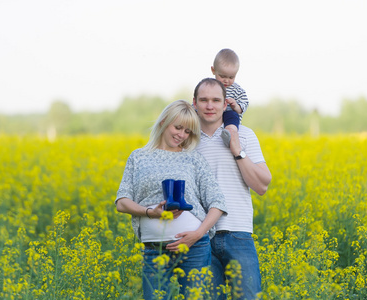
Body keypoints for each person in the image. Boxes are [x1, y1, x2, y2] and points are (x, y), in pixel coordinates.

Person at [114, 99, 227, 299]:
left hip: (194, 247)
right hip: (154, 250)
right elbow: (122, 202)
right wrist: (151, 212)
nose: (181, 135)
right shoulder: (138, 157)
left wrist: (198, 234)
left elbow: (217, 203)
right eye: (178, 127)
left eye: (187, 131)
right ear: (164, 121)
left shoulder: (193, 158)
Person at [193, 78, 272, 300]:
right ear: (194, 103)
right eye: (204, 100)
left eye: (216, 100)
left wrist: (237, 150)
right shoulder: (185, 138)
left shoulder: (244, 134)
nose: (210, 106)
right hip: (200, 238)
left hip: (238, 233)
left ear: (225, 103)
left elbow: (262, 185)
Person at [211, 48, 249, 148]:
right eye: (223, 76)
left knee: (232, 115)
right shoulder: (209, 86)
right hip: (211, 114)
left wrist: (235, 106)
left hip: (228, 115)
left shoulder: (237, 89)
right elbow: (200, 99)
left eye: (231, 77)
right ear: (213, 70)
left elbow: (244, 103)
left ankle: (230, 134)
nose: (226, 81)